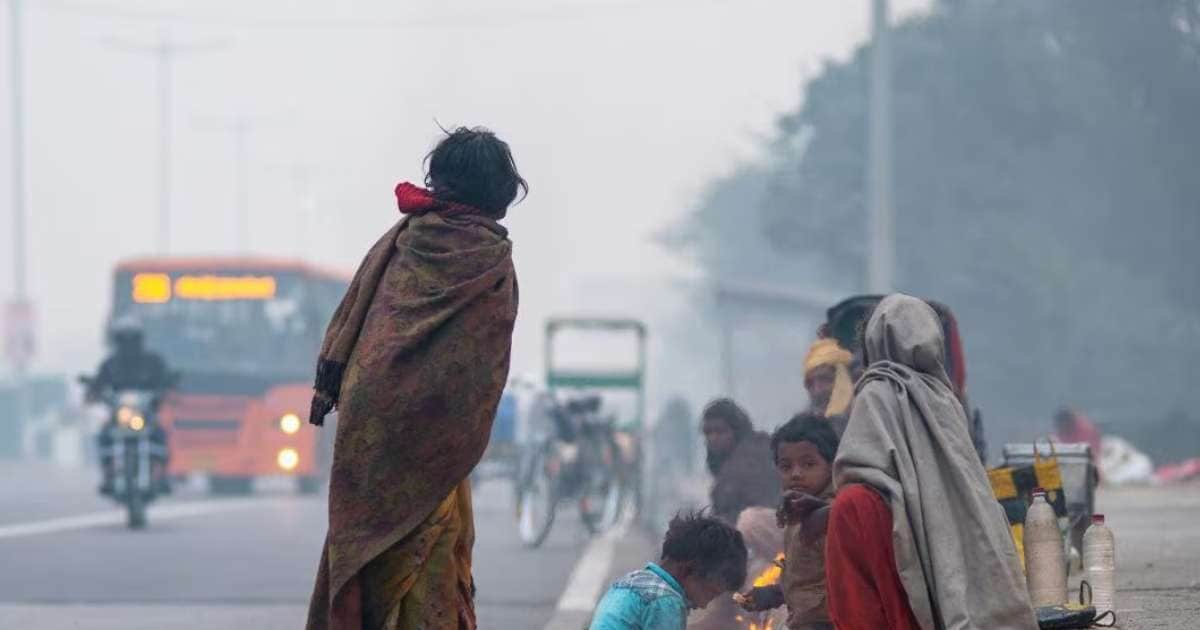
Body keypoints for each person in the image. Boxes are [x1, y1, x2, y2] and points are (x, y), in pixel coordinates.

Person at [305, 127, 525, 630]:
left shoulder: (401, 242)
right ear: (499, 192)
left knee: (365, 555)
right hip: (439, 448)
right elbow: (480, 368)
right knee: (428, 562)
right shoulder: (491, 261)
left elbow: (367, 339)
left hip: (369, 433)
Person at [824, 294, 1036, 630]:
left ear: (874, 341)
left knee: (849, 506)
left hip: (880, 525)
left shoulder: (876, 392)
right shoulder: (945, 398)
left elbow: (861, 467)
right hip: (943, 542)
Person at [737, 412, 839, 630]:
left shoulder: (834, 514)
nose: (796, 474)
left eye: (808, 464)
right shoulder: (795, 514)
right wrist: (771, 594)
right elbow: (808, 580)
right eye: (786, 467)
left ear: (832, 466)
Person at [589, 510, 748, 630]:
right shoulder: (667, 601)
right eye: (710, 593)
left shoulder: (629, 581)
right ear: (688, 571)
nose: (705, 605)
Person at [87, 317, 173, 495]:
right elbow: (98, 384)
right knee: (104, 437)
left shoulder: (152, 361)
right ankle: (108, 476)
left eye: (132, 339)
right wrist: (94, 392)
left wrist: (164, 390)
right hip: (119, 415)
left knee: (161, 436)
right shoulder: (110, 364)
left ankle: (163, 476)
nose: (128, 344)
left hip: (145, 414)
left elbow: (165, 379)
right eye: (124, 339)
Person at [701, 398, 780, 524]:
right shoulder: (727, 463)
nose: (713, 438)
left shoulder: (756, 456)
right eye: (708, 433)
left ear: (736, 430)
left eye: (720, 431)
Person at [802, 338, 855, 419]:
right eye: (810, 383)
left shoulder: (866, 414)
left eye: (825, 379)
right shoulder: (803, 425)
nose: (817, 390)